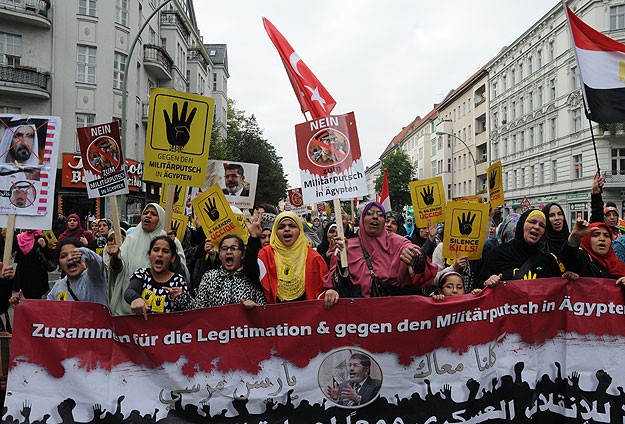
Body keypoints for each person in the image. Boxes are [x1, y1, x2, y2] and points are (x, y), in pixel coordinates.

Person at [326, 202, 437, 298]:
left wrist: (416, 257)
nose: (375, 217)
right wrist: (342, 261)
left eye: (380, 215)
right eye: (369, 213)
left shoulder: (396, 242)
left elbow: (412, 249)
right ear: (362, 220)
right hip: (361, 317)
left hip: (393, 316)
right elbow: (338, 284)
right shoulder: (346, 247)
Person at [108, 203, 189, 316]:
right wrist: (116, 259)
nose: (148, 216)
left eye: (153, 214)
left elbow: (181, 272)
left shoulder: (171, 241)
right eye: (146, 213)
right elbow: (118, 271)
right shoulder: (131, 240)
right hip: (129, 311)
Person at [256, 211, 338, 308]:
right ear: (275, 232)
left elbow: (323, 287)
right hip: (275, 317)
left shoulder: (314, 258)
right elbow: (254, 279)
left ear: (300, 230)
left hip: (307, 318)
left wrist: (330, 292)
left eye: (292, 226)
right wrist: (253, 239)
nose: (287, 229)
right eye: (281, 227)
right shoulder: (265, 255)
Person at [170, 234, 266, 309]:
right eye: (224, 249)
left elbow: (264, 310)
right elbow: (198, 309)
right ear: (219, 255)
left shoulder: (250, 276)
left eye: (234, 248)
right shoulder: (209, 277)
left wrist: (255, 307)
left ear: (242, 255)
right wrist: (182, 297)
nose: (228, 252)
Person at [478, 209, 563, 285]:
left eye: (542, 225)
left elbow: (560, 291)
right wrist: (488, 282)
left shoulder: (549, 260)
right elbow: (478, 286)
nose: (537, 227)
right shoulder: (498, 254)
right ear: (521, 225)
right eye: (532, 222)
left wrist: (570, 279)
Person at [123, 236, 190, 319]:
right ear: (149, 255)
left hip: (169, 330)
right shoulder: (141, 274)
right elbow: (130, 291)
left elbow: (188, 310)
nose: (159, 254)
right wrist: (135, 299)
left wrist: (180, 298)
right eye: (155, 250)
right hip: (143, 330)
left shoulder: (179, 280)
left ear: (172, 258)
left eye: (165, 251)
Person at [38, 239, 107, 304]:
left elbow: (98, 263)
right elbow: (49, 310)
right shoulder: (58, 287)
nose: (70, 258)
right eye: (63, 256)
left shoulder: (94, 277)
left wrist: (86, 253)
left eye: (75, 254)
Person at [560, 220, 625, 283]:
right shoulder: (583, 258)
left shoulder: (617, 265)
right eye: (596, 235)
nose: (602, 239)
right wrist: (575, 237)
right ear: (587, 239)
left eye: (606, 236)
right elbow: (568, 258)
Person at [12, 230, 56, 299]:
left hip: (37, 277)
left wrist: (44, 246)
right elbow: (9, 250)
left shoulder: (43, 237)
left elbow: (51, 256)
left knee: (36, 303)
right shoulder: (19, 238)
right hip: (22, 276)